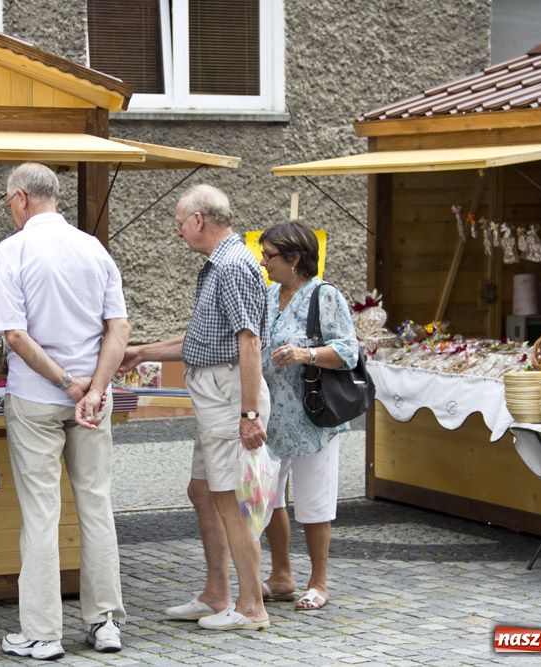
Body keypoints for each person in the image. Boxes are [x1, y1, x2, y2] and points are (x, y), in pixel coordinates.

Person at [0, 162, 129, 661]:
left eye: (9, 202)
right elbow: (119, 328)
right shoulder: (93, 249)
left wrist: (66, 383)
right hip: (93, 398)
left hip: (38, 397)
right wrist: (95, 388)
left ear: (21, 197)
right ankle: (105, 620)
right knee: (96, 505)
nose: (10, 210)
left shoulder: (13, 251)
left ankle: (43, 632)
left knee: (42, 515)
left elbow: (14, 335)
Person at [119, 183, 271, 631]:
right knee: (203, 491)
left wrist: (248, 414)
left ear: (199, 220)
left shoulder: (232, 266)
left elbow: (250, 341)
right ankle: (216, 592)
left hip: (228, 396)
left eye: (180, 223)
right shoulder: (220, 264)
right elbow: (203, 340)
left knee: (230, 499)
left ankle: (250, 607)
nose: (179, 232)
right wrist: (142, 351)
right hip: (217, 394)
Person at [257, 221, 359, 611]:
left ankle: (319, 582)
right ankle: (281, 575)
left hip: (312, 415)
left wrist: (306, 354)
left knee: (314, 500)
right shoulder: (267, 295)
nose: (264, 262)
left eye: (270, 256)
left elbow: (349, 351)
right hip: (270, 415)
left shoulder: (324, 296)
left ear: (295, 258)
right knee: (268, 496)